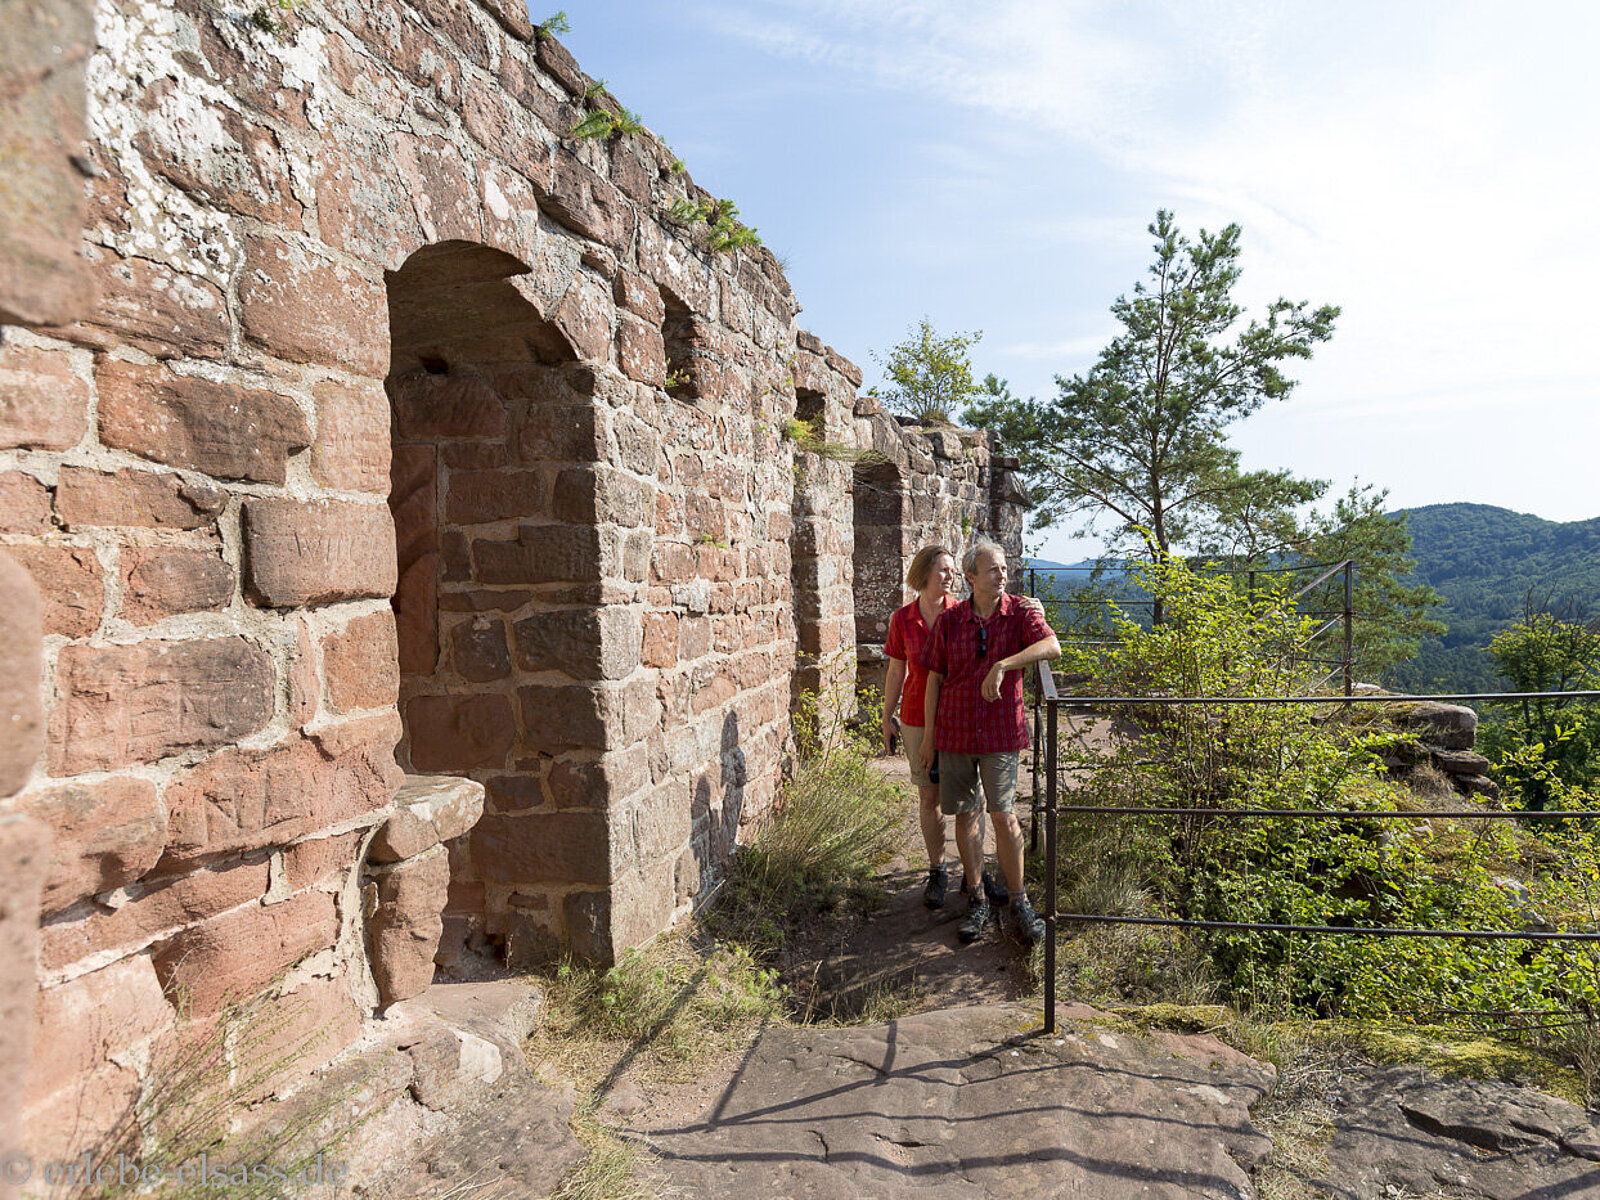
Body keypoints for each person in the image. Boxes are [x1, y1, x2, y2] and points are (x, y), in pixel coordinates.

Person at [920, 537, 1061, 944]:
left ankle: (1020, 900)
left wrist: (1004, 664)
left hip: (1001, 731)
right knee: (966, 815)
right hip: (957, 731)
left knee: (1004, 814)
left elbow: (1052, 646)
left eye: (1004, 568)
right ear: (970, 577)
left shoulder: (1020, 612)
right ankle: (978, 896)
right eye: (993, 569)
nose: (1003, 575)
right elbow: (934, 679)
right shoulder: (950, 622)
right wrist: (930, 737)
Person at [882, 546, 1009, 910]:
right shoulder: (903, 619)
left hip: (960, 716)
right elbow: (895, 671)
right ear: (923, 574)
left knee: (974, 801)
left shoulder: (962, 613)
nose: (949, 577)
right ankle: (937, 871)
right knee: (929, 796)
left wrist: (1033, 605)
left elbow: (1004, 604)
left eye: (952, 571)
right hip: (917, 719)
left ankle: (977, 874)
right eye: (942, 571)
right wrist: (886, 716)